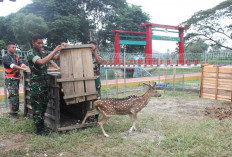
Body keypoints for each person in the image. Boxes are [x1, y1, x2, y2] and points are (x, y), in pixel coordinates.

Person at [27, 34, 62, 136]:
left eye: (42, 42)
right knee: (37, 107)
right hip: (36, 85)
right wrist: (54, 50)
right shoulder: (31, 53)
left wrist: (62, 48)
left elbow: (55, 57)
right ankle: (39, 129)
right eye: (39, 43)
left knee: (43, 105)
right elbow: (41, 62)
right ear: (33, 43)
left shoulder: (43, 52)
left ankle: (41, 126)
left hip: (44, 84)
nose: (41, 45)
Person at [3, 42, 30, 119]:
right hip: (10, 79)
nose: (14, 49)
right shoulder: (6, 57)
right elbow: (12, 65)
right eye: (12, 47)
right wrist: (23, 68)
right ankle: (13, 113)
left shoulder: (15, 57)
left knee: (13, 95)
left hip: (16, 78)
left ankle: (12, 111)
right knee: (14, 95)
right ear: (8, 48)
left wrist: (25, 67)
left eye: (15, 47)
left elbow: (21, 63)